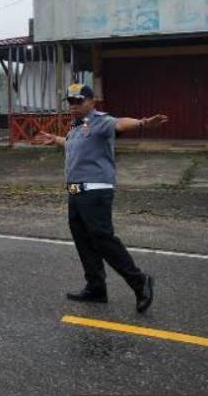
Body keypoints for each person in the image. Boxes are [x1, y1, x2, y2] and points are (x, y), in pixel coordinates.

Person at [34, 83, 168, 313]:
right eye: (71, 101)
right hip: (76, 192)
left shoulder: (101, 121)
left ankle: (140, 281)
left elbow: (120, 123)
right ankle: (96, 287)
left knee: (103, 239)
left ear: (91, 102)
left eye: (79, 101)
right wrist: (55, 139)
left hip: (95, 191)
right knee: (83, 240)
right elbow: (73, 145)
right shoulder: (76, 127)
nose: (74, 105)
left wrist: (143, 123)